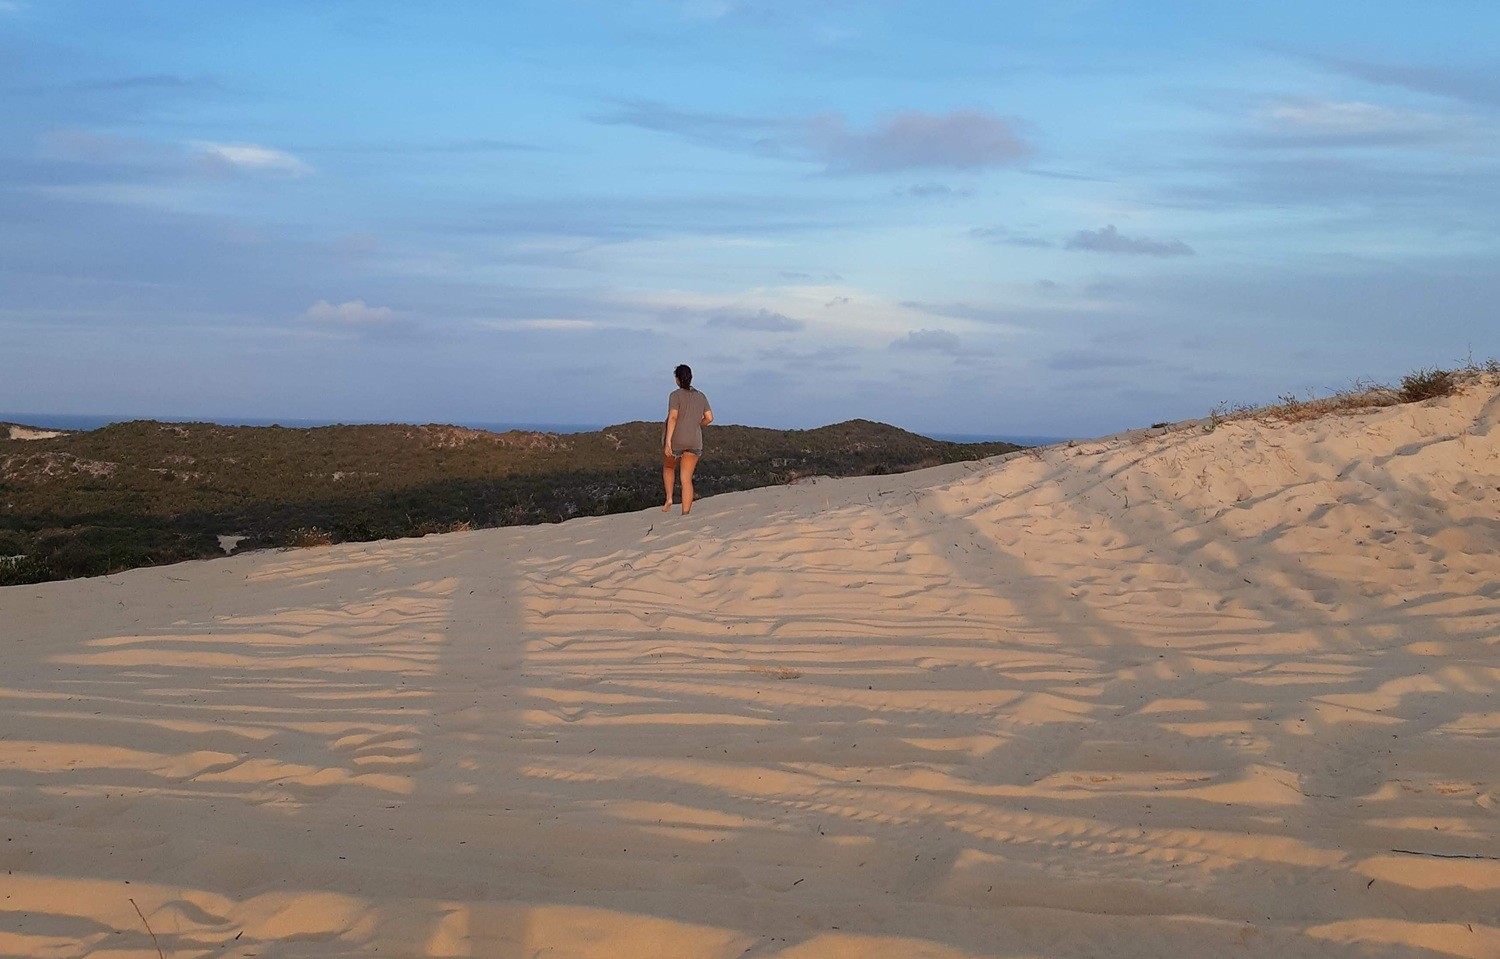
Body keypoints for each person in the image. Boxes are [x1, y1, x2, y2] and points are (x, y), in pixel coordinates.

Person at [663, 364, 713, 514]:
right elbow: (709, 418)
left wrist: (668, 441)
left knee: (669, 467)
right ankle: (685, 513)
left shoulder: (675, 395)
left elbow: (673, 417)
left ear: (677, 379)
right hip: (694, 440)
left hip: (677, 439)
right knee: (686, 479)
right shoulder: (701, 396)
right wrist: (697, 424)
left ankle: (669, 498)